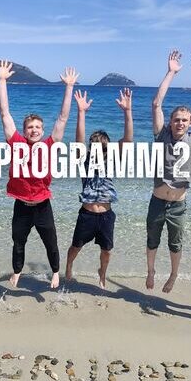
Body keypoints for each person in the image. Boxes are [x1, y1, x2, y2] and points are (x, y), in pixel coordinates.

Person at [0, 60, 78, 288]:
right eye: (30, 127)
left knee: (50, 242)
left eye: (38, 128)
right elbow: (5, 113)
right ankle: (17, 271)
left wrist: (69, 87)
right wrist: (2, 80)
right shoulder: (16, 143)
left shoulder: (51, 145)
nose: (34, 130)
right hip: (21, 205)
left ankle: (55, 272)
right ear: (24, 131)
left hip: (43, 206)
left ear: (42, 132)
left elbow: (62, 118)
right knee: (18, 242)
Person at [146, 46, 191, 293]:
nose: (180, 123)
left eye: (184, 120)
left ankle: (173, 275)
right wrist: (170, 72)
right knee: (152, 241)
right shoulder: (161, 135)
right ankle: (151, 270)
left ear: (190, 123)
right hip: (157, 200)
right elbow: (156, 104)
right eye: (176, 119)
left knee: (175, 244)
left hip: (179, 204)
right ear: (170, 122)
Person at [64, 88, 133, 289]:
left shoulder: (112, 160)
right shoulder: (84, 161)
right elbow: (78, 140)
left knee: (107, 250)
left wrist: (127, 112)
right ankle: (68, 265)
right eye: (95, 146)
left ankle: (102, 273)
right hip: (86, 215)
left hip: (106, 215)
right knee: (76, 246)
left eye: (102, 148)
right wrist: (82, 113)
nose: (99, 150)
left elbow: (127, 140)